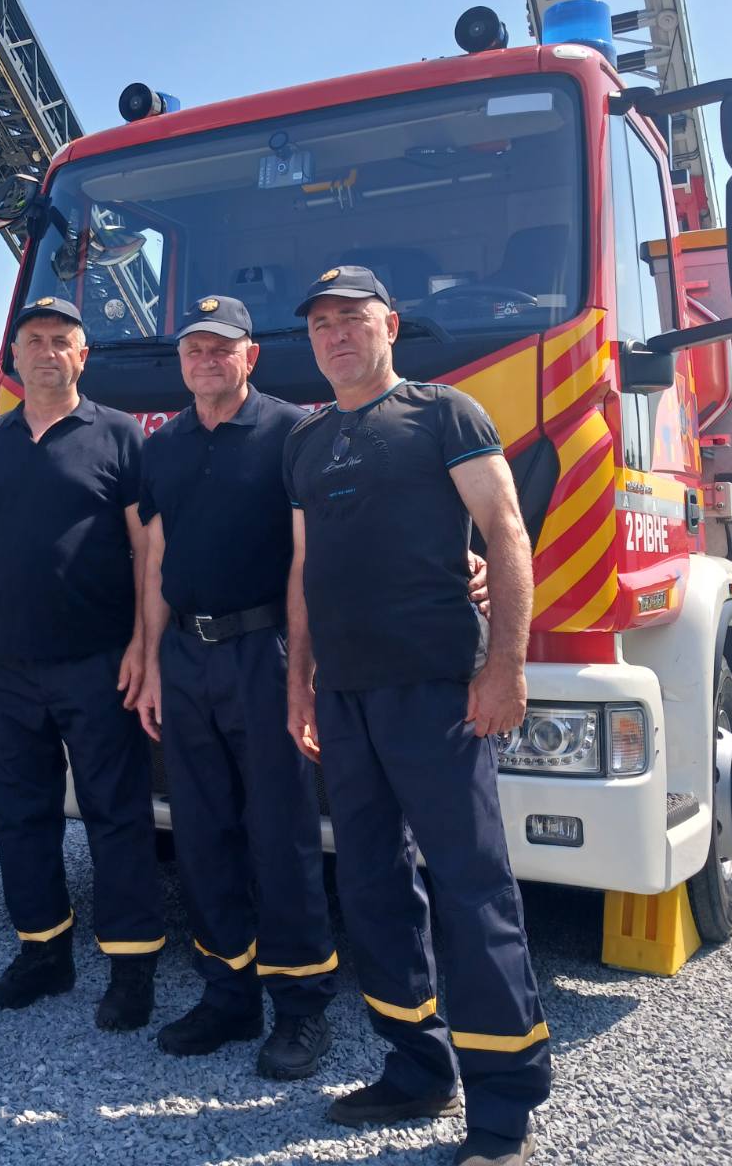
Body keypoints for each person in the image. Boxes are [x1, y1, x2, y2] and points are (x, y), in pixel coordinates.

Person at [283, 265, 550, 1166]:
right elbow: (303, 571)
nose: (336, 335)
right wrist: (299, 684)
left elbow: (505, 531)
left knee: (473, 889)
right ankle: (415, 1066)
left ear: (389, 326)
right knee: (370, 886)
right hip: (344, 698)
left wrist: (505, 667)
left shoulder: (445, 414)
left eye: (352, 319)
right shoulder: (307, 442)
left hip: (437, 693)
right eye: (321, 324)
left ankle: (503, 1106)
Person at [0, 296, 163, 1032]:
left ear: (83, 356)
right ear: (15, 357)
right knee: (21, 816)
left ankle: (131, 968)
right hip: (11, 666)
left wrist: (145, 645)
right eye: (34, 340)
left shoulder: (120, 435)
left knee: (117, 817)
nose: (47, 351)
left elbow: (148, 550)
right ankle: (44, 952)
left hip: (101, 664)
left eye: (62, 340)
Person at [135, 294, 338, 1079]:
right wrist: (151, 660)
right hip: (187, 658)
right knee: (202, 832)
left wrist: (302, 672)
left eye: (223, 348)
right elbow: (156, 559)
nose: (207, 360)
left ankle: (300, 1006)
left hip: (265, 652)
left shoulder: (292, 433)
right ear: (181, 361)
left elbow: (308, 560)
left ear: (251, 356)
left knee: (282, 833)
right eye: (195, 349)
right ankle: (228, 994)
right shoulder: (164, 446)